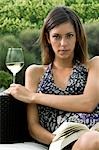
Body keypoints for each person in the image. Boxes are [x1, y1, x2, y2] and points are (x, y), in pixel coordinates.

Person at [5, 5, 99, 150]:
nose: (63, 44)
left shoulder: (94, 65)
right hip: (62, 141)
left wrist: (33, 96)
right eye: (56, 36)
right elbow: (33, 127)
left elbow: (88, 103)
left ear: (77, 37)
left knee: (92, 138)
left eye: (69, 36)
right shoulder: (35, 73)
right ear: (47, 38)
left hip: (94, 131)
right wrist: (58, 141)